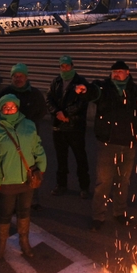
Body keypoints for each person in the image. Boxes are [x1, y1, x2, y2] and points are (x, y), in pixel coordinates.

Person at [76, 60, 137, 231]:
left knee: (122, 182)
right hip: (108, 144)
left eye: (120, 71)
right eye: (114, 71)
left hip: (128, 145)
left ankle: (119, 212)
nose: (117, 74)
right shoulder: (104, 88)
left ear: (128, 73)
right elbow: (93, 92)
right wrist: (85, 90)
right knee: (103, 182)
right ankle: (98, 216)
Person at [0, 94, 47, 259]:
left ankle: (24, 241)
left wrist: (41, 166)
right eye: (5, 107)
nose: (9, 110)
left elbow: (37, 147)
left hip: (27, 179)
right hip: (6, 181)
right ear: (1, 110)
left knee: (24, 210)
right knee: (5, 212)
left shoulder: (29, 125)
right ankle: (1, 243)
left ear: (17, 107)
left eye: (12, 107)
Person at [0, 63, 48, 209]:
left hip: (29, 137)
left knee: (32, 166)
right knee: (11, 167)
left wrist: (29, 126)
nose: (18, 79)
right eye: (15, 76)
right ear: (11, 78)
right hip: (9, 138)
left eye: (21, 76)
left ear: (26, 77)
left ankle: (33, 199)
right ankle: (12, 200)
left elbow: (42, 111)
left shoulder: (35, 94)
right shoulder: (4, 93)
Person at [46, 55, 91, 199]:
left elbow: (82, 103)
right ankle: (61, 185)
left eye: (67, 65)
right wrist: (56, 113)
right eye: (62, 66)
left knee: (80, 157)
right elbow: (49, 99)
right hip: (58, 126)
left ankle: (84, 186)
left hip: (75, 126)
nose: (65, 68)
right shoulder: (56, 82)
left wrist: (65, 114)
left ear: (72, 66)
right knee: (61, 157)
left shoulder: (80, 82)